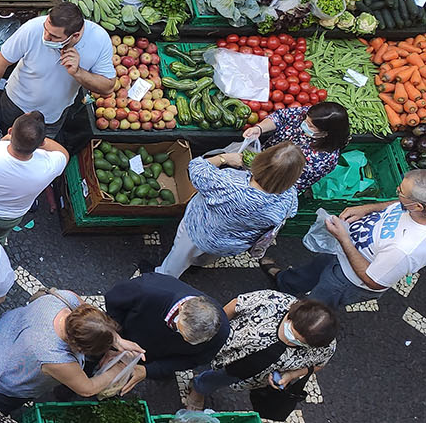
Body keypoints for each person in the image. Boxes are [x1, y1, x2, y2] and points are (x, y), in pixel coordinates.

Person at [0, 289, 145, 413]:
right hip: (9, 377)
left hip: (4, 340)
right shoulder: (54, 357)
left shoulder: (64, 298)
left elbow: (89, 316)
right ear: (78, 348)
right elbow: (87, 388)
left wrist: (116, 338)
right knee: (0, 405)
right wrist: (120, 367)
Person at [272, 169, 426, 307]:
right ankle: (285, 284)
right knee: (312, 270)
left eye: (400, 191)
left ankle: (289, 327)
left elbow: (374, 281)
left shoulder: (406, 250)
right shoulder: (412, 206)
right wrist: (366, 209)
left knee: (312, 308)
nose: (397, 191)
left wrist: (344, 240)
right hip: (341, 252)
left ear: (418, 207)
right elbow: (397, 204)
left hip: (346, 279)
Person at [157, 142, 304, 279]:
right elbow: (290, 212)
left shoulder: (230, 184)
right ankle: (198, 263)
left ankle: (163, 277)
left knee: (180, 257)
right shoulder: (289, 198)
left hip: (199, 231)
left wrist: (223, 158)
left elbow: (196, 167)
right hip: (232, 243)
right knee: (208, 254)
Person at [0, 3, 115, 137]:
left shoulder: (99, 41)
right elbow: (1, 61)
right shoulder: (33, 28)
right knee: (5, 131)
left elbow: (107, 86)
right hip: (15, 102)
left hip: (51, 117)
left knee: (36, 149)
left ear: (75, 36)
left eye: (54, 36)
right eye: (46, 29)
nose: (45, 36)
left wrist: (78, 73)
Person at [185, 292, 337, 413]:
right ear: (291, 316)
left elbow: (318, 365)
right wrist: (213, 332)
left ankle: (199, 388)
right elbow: (235, 305)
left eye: (299, 343)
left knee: (218, 379)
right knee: (198, 360)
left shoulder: (324, 346)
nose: (290, 342)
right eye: (292, 334)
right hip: (223, 348)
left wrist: (290, 375)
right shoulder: (272, 301)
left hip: (246, 371)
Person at [104, 273, 229, 380]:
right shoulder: (146, 290)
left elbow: (192, 360)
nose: (183, 341)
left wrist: (148, 370)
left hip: (153, 358)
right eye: (179, 331)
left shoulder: (221, 332)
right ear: (181, 309)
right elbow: (113, 302)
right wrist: (116, 339)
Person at [242, 101, 350, 193]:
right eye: (306, 119)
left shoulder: (322, 160)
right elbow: (280, 116)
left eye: (310, 126)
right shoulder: (312, 115)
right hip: (261, 159)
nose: (304, 123)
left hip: (270, 185)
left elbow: (285, 183)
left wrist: (249, 164)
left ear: (326, 132)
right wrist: (259, 129)